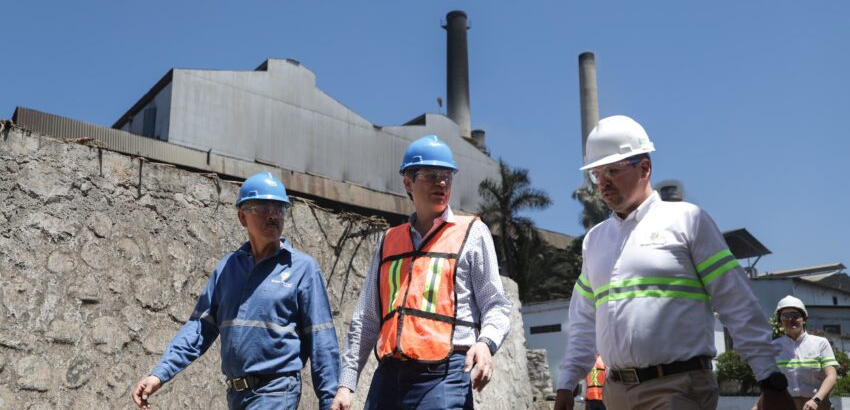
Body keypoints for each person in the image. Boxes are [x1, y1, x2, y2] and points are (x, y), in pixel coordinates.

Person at [554, 115, 795, 410]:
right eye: (596, 174)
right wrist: (567, 382)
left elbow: (735, 301)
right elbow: (583, 321)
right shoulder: (594, 241)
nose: (603, 183)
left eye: (612, 171)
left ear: (644, 168)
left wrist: (769, 377)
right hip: (615, 393)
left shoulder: (687, 221)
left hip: (677, 389)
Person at [330, 135, 511, 410]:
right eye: (431, 176)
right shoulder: (389, 241)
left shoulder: (472, 233)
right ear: (408, 183)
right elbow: (367, 318)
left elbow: (495, 304)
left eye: (447, 176)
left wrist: (486, 343)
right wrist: (346, 384)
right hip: (389, 378)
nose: (442, 183)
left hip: (444, 376)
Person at [131, 172, 340, 410]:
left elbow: (322, 339)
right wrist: (160, 373)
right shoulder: (228, 268)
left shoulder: (302, 269)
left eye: (280, 208)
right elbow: (200, 328)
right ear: (242, 217)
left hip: (276, 391)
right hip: (236, 395)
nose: (273, 215)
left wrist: (329, 401)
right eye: (264, 207)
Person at [759, 296, 838, 410]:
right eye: (785, 316)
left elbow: (831, 376)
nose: (790, 319)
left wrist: (816, 400)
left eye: (795, 315)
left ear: (804, 319)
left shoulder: (820, 343)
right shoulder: (774, 346)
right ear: (780, 321)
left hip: (817, 405)